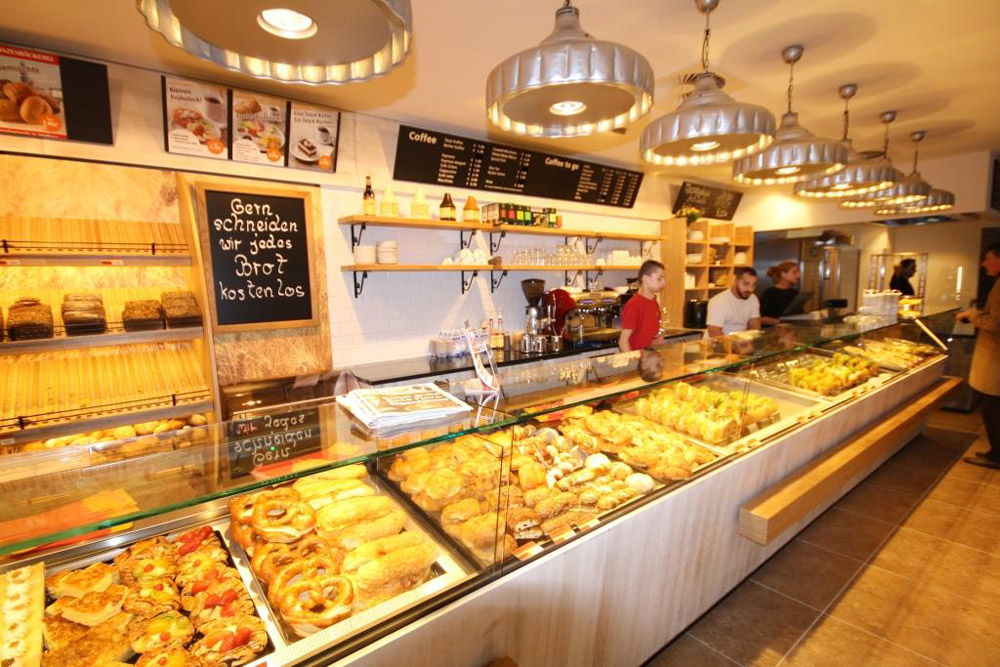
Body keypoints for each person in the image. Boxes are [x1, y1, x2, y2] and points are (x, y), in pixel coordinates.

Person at [958, 243, 1000, 469]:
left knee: (993, 407)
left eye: (988, 258)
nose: (984, 263)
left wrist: (973, 315)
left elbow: (995, 322)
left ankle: (997, 456)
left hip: (995, 358)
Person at [619, 260, 665, 352]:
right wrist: (633, 360)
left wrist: (656, 341)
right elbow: (623, 342)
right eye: (659, 279)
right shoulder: (634, 305)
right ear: (645, 279)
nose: (664, 283)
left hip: (649, 358)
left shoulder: (654, 303)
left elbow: (648, 337)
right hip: (638, 359)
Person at [707, 267, 761, 337]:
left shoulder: (753, 299)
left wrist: (750, 340)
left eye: (753, 285)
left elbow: (755, 327)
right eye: (746, 284)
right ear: (735, 281)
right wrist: (732, 344)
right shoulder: (719, 301)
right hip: (721, 341)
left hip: (742, 341)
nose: (750, 289)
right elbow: (714, 332)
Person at [760, 261, 801, 326]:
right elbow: (761, 318)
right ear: (783, 274)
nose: (798, 275)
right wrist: (781, 322)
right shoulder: (769, 294)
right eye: (794, 272)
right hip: (771, 331)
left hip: (792, 330)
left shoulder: (795, 293)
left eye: (798, 272)